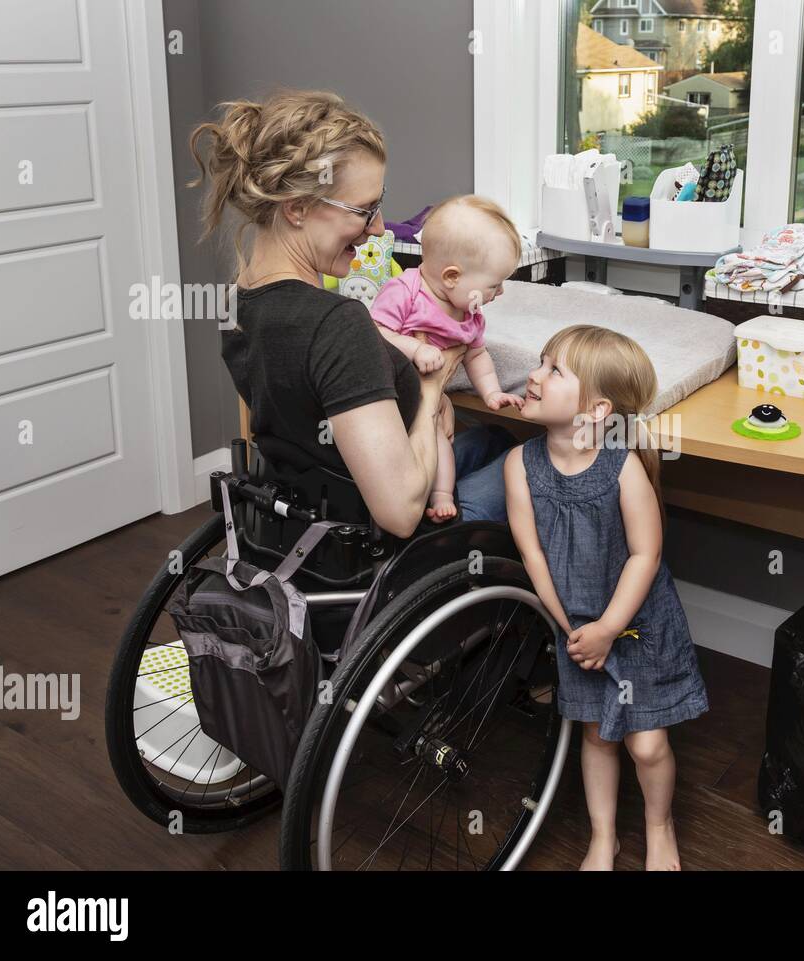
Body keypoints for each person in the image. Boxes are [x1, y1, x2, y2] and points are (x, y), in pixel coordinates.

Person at [188, 89, 515, 535]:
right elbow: (399, 513)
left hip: (308, 510)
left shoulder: (241, 302)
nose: (379, 228)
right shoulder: (335, 323)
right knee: (527, 461)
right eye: (365, 211)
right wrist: (432, 392)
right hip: (374, 533)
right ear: (298, 208)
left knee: (494, 438)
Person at [504, 325, 709, 871]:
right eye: (540, 362)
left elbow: (646, 556)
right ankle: (603, 836)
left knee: (646, 745)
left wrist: (609, 627)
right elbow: (534, 559)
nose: (534, 375)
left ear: (595, 409)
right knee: (596, 735)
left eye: (554, 370)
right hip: (576, 630)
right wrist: (569, 625)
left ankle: (659, 826)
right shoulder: (519, 467)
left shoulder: (623, 470)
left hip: (636, 625)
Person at [370, 195, 526, 523]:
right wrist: (414, 349)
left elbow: (476, 354)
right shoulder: (406, 292)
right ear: (452, 277)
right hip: (389, 404)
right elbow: (374, 332)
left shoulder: (469, 315)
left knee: (441, 441)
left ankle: (442, 497)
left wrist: (492, 392)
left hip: (429, 406)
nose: (499, 294)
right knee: (426, 442)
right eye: (493, 285)